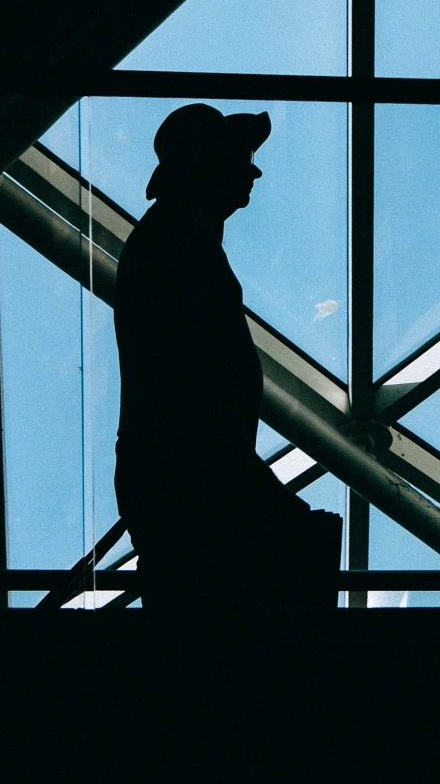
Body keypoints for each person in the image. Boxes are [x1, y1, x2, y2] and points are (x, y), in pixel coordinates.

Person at [113, 103, 341, 613]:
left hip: (190, 472)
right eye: (241, 155)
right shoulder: (178, 245)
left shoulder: (175, 240)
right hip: (193, 474)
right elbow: (192, 390)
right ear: (207, 165)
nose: (254, 168)